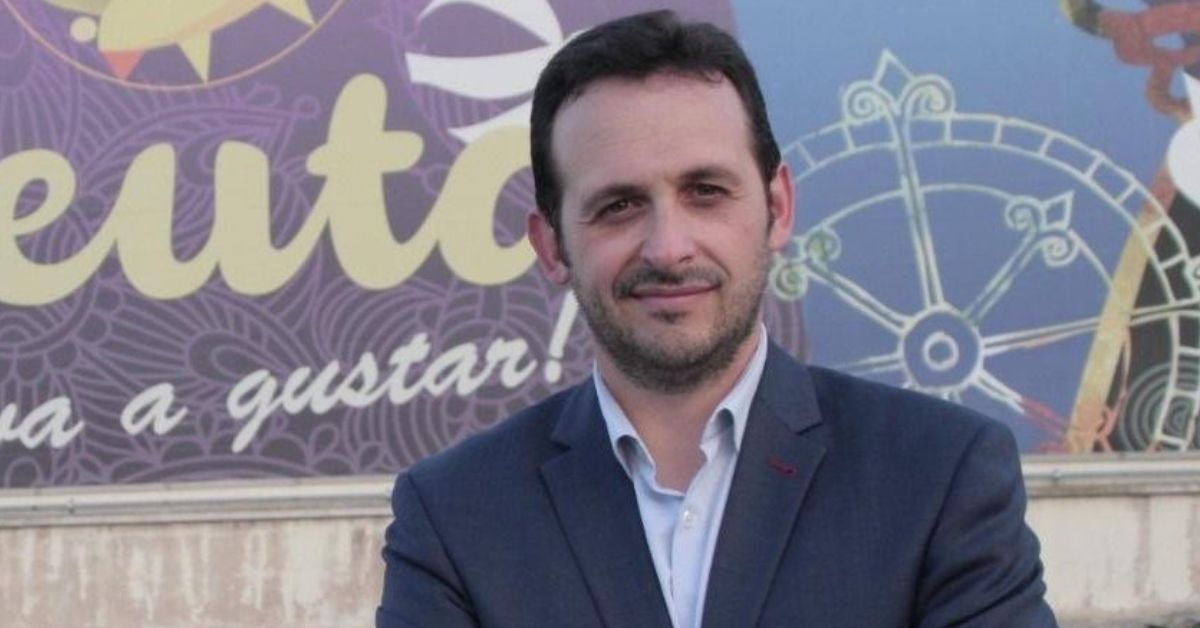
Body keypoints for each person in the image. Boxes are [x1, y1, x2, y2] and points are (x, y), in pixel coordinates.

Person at [377, 10, 1057, 628]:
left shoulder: (939, 475)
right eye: (618, 206)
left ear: (777, 208)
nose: (668, 247)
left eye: (705, 191)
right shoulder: (454, 516)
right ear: (551, 245)